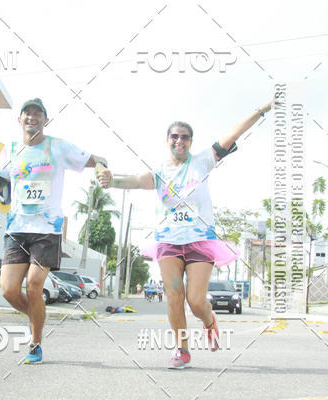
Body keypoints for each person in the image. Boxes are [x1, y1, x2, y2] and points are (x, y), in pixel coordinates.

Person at [97, 97, 274, 369]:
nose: (179, 141)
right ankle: (182, 350)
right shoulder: (159, 172)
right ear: (167, 140)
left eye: (185, 137)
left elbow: (235, 133)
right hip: (168, 242)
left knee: (196, 301)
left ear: (191, 142)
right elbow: (133, 180)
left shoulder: (203, 161)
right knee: (174, 296)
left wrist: (264, 108)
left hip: (200, 242)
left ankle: (209, 321)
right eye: (174, 136)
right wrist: (111, 180)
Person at [0, 98, 108, 365]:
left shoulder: (58, 147)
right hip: (17, 229)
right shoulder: (10, 150)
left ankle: (35, 343)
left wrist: (102, 167)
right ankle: (37, 315)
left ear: (46, 120)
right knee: (8, 290)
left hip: (47, 229)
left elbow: (97, 159)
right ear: (20, 119)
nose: (32, 117)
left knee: (34, 286)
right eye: (27, 113)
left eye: (38, 114)